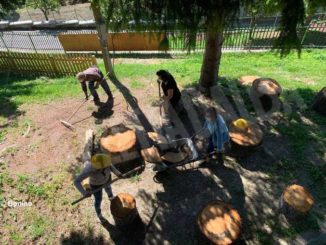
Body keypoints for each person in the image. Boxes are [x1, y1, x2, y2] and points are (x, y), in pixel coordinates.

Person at [74, 153, 114, 222]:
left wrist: (118, 173)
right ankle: (99, 214)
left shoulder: (105, 162)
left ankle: (111, 197)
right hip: (96, 186)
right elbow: (76, 181)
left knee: (108, 189)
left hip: (107, 180)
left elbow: (111, 166)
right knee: (98, 199)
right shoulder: (88, 169)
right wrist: (84, 193)